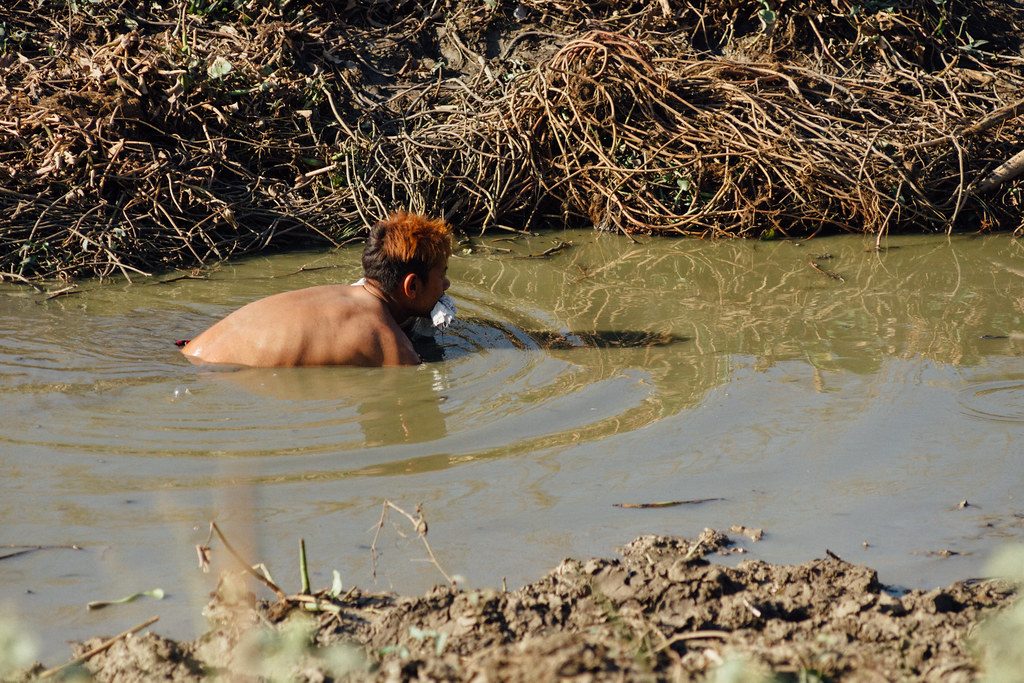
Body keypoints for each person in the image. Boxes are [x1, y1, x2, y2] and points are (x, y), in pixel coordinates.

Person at [179, 211, 452, 367]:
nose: (446, 286)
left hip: (191, 350)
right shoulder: (389, 343)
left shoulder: (345, 294)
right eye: (443, 275)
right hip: (210, 374)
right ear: (412, 286)